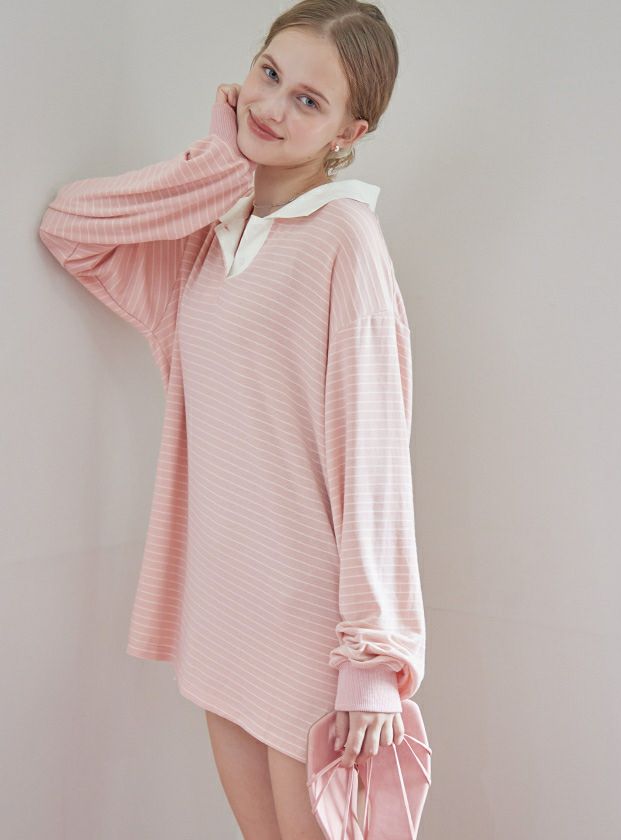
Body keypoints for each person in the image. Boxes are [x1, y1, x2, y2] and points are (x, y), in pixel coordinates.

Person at [38, 1, 426, 837]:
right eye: (269, 73)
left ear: (349, 131)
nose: (272, 106)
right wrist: (215, 165)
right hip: (224, 602)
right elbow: (70, 229)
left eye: (308, 101)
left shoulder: (346, 242)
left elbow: (374, 457)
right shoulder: (209, 240)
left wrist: (374, 654)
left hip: (310, 620)